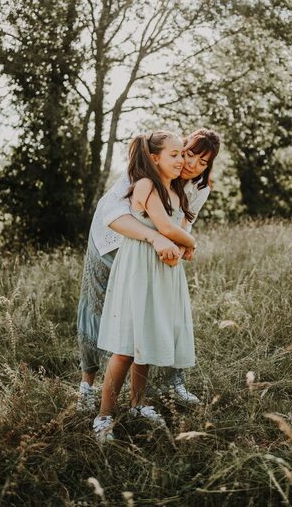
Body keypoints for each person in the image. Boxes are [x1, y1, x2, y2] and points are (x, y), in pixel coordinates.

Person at [76, 128, 220, 411]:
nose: (191, 164)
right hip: (112, 242)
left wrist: (179, 248)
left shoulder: (199, 187)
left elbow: (183, 225)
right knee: (97, 309)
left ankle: (166, 385)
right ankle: (87, 386)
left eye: (202, 162)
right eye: (189, 154)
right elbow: (114, 216)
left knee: (158, 316)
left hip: (155, 253)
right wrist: (163, 239)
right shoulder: (147, 172)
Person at [93, 130, 197, 441]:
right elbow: (165, 227)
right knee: (126, 346)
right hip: (140, 267)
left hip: (163, 271)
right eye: (174, 155)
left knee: (147, 337)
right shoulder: (146, 184)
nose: (182, 161)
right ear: (154, 158)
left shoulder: (176, 190)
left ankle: (137, 404)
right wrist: (192, 243)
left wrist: (182, 247)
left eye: (182, 154)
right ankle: (104, 415)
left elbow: (175, 231)